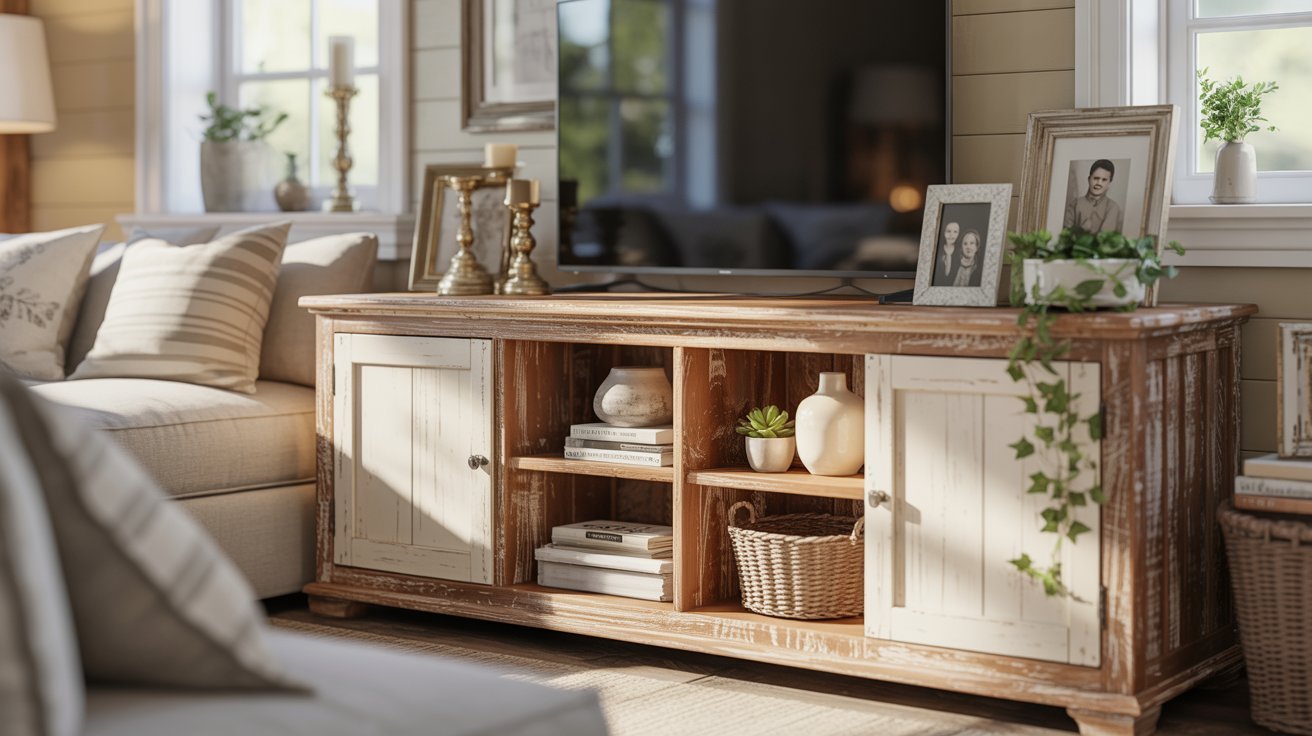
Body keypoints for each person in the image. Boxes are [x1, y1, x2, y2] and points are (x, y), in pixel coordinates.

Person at [1063, 159, 1124, 234]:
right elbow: (1065, 236)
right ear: (1089, 179)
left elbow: (1105, 239)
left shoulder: (1113, 207)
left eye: (1104, 180)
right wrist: (1081, 229)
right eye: (1096, 178)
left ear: (1109, 183)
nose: (1099, 183)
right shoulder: (1075, 204)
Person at [931, 221, 960, 286]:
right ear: (943, 232)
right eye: (948, 231)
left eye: (955, 232)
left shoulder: (960, 253)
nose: (951, 235)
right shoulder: (936, 251)